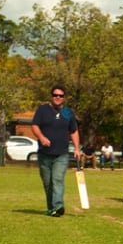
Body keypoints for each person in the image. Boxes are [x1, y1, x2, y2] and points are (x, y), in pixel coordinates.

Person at [30, 85, 81, 217]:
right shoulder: (42, 110)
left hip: (61, 154)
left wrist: (76, 148)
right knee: (48, 183)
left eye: (61, 95)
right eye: (55, 95)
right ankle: (52, 208)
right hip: (44, 154)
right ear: (51, 96)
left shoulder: (68, 113)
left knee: (57, 179)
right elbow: (34, 126)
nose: (58, 97)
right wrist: (41, 138)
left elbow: (74, 131)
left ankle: (58, 206)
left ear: (64, 98)